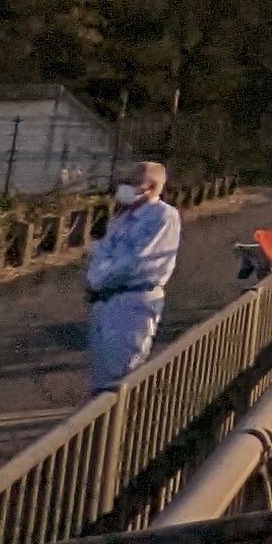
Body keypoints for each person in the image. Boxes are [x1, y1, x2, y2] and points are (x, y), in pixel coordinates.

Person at [84, 162, 185, 394]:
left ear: (150, 187)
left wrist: (99, 277)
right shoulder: (123, 218)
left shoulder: (163, 216)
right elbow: (101, 252)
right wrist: (99, 275)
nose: (125, 187)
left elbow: (137, 261)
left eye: (132, 182)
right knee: (100, 375)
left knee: (120, 375)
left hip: (135, 300)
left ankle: (118, 416)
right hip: (107, 299)